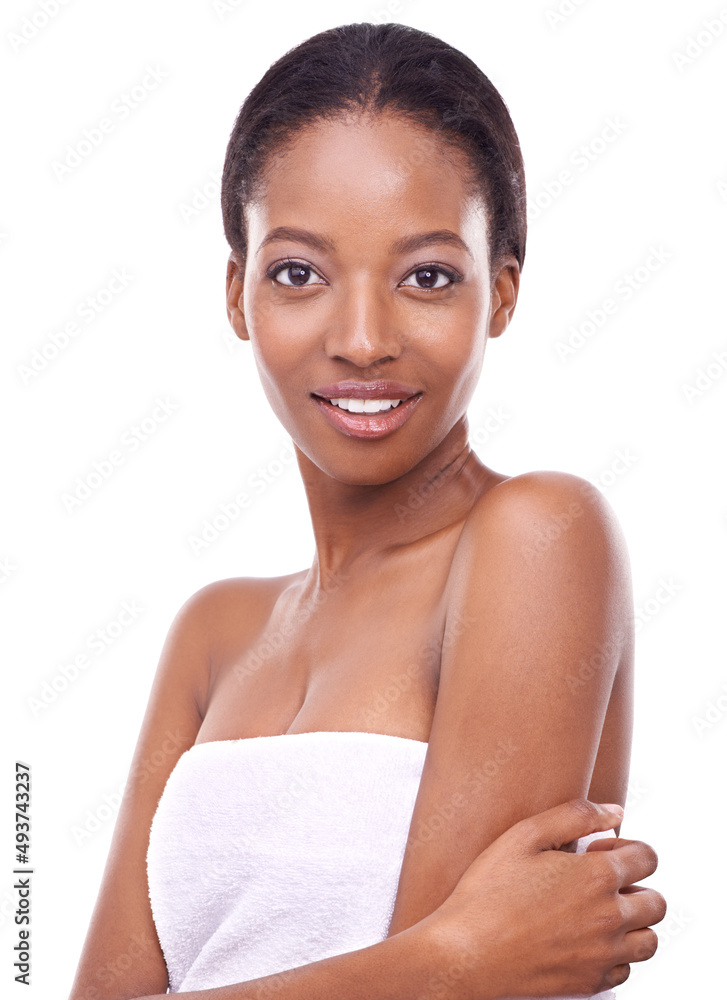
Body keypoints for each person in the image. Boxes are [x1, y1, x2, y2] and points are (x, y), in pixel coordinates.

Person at [68, 21, 666, 1000]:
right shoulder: (214, 633)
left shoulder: (537, 537)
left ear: (501, 293)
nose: (360, 339)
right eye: (299, 272)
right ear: (236, 293)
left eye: (427, 275)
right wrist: (455, 959)